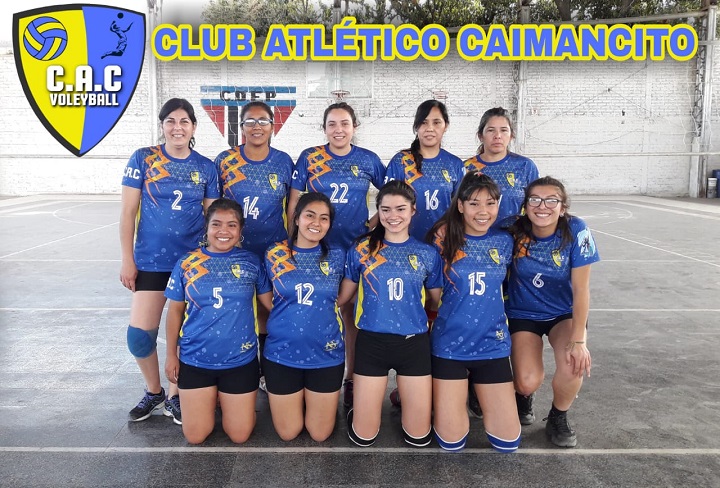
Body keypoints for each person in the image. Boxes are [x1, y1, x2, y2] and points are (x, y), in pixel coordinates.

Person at [120, 97, 219, 425]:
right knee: (139, 336)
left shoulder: (206, 167)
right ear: (162, 125)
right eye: (171, 121)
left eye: (184, 121)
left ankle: (175, 396)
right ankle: (154, 391)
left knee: (185, 334)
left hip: (191, 265)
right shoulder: (144, 158)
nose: (178, 128)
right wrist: (127, 259)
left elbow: (213, 217)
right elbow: (128, 212)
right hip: (150, 261)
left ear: (193, 127)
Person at [288, 102, 386, 409]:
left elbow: (391, 196)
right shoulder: (310, 157)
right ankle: (306, 370)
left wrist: (372, 225)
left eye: (344, 123)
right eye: (332, 124)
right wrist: (295, 241)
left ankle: (351, 377)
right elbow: (294, 203)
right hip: (317, 251)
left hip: (354, 249)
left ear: (355, 127)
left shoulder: (368, 159)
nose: (338, 129)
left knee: (350, 315)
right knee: (312, 310)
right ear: (324, 128)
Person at [338, 181, 443, 447]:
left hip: (413, 344)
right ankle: (363, 407)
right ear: (379, 211)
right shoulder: (362, 249)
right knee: (363, 436)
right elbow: (344, 297)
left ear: (413, 211)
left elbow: (437, 300)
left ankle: (403, 398)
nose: (392, 215)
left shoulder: (427, 253)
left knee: (419, 437)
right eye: (385, 210)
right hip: (372, 343)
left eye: (400, 209)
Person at [164, 198, 273, 444]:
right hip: (195, 360)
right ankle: (210, 401)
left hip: (239, 361)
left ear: (241, 229)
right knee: (195, 436)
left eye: (231, 225)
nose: (224, 231)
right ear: (207, 227)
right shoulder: (187, 263)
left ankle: (226, 402)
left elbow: (272, 306)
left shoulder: (251, 262)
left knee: (239, 435)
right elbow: (174, 312)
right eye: (216, 224)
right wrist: (171, 355)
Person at [427, 171, 520, 453]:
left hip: (491, 344)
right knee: (451, 442)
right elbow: (432, 294)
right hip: (450, 345)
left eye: (490, 203)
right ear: (460, 205)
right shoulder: (442, 240)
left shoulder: (505, 241)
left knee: (508, 442)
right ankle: (450, 393)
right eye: (474, 203)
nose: (483, 211)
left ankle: (474, 389)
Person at [506, 176, 599, 448]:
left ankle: (558, 415)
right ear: (526, 205)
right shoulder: (512, 230)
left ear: (562, 207)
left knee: (573, 363)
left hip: (562, 313)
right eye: (535, 199)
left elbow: (581, 290)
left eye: (551, 200)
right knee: (526, 381)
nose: (542, 206)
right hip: (523, 313)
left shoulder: (577, 231)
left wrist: (579, 340)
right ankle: (523, 396)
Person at [213, 101, 294, 389]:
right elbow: (213, 207)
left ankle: (267, 369)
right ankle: (230, 368)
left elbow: (293, 208)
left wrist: (291, 246)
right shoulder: (225, 160)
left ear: (272, 127)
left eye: (263, 121)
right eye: (250, 121)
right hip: (234, 252)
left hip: (272, 251)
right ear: (241, 127)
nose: (256, 126)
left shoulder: (283, 162)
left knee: (268, 309)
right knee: (232, 309)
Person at [263, 193, 346, 442]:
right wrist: (287, 315)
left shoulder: (338, 256)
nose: (316, 223)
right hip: (282, 353)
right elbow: (268, 299)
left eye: (324, 218)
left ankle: (314, 402)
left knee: (320, 434)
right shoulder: (275, 253)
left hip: (326, 353)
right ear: (297, 218)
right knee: (288, 433)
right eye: (310, 215)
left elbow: (343, 297)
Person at [384, 99, 465, 241]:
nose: (430, 128)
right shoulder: (401, 161)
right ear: (416, 127)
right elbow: (386, 204)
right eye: (424, 122)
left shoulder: (455, 164)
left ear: (446, 126)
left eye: (436, 122)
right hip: (406, 243)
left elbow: (461, 207)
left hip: (443, 242)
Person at [464, 107, 539, 230]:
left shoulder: (525, 166)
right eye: (491, 130)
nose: (497, 136)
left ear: (511, 135)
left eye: (504, 130)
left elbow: (536, 205)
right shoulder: (466, 167)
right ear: (480, 136)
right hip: (476, 237)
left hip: (516, 236)